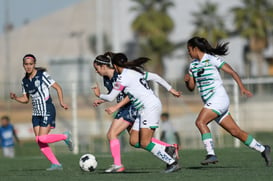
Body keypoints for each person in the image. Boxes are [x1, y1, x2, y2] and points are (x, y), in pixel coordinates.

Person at [184, 36, 271, 166]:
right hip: (212, 102)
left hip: (218, 98)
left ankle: (211, 154)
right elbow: (191, 88)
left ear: (195, 48)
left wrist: (242, 87)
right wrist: (188, 81)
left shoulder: (212, 59)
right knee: (235, 132)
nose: (188, 53)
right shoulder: (192, 66)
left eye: (189, 50)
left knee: (200, 122)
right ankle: (263, 149)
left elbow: (232, 72)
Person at [93, 53, 182, 173]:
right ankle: (169, 149)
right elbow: (155, 76)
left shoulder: (122, 77)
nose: (96, 71)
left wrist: (99, 95)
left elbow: (110, 97)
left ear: (114, 65)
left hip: (148, 108)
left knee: (145, 142)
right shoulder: (134, 72)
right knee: (134, 141)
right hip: (143, 108)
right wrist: (171, 89)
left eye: (96, 68)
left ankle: (172, 162)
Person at [10, 54, 73, 171]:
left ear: (34, 64)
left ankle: (65, 136)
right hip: (36, 113)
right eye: (26, 64)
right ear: (23, 65)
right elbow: (26, 99)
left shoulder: (42, 75)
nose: (28, 66)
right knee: (39, 141)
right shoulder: (24, 81)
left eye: (30, 64)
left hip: (47, 109)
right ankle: (56, 164)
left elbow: (58, 87)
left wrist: (62, 102)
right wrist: (16, 98)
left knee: (43, 138)